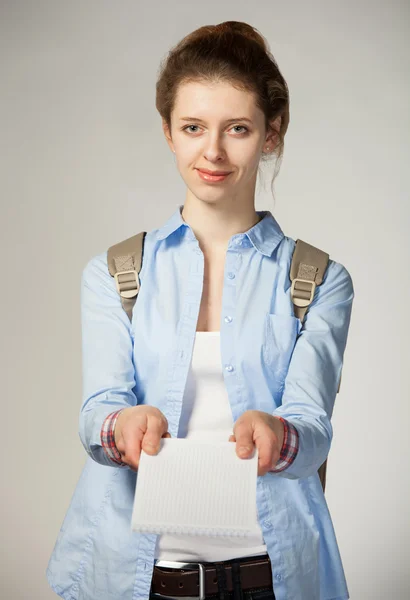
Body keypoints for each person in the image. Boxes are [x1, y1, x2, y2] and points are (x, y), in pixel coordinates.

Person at [46, 20, 354, 600]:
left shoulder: (317, 279)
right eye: (193, 127)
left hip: (273, 574)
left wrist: (279, 432)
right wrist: (122, 426)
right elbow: (97, 412)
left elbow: (314, 429)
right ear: (168, 131)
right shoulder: (113, 273)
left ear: (271, 132)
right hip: (133, 577)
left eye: (237, 128)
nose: (212, 151)